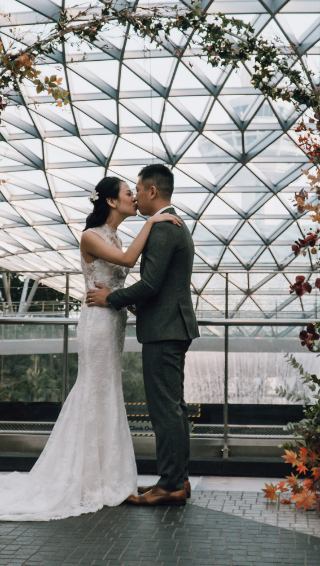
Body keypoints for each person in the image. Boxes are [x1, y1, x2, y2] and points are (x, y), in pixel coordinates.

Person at [0, 176, 181, 521]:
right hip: (98, 325)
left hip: (113, 321)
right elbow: (129, 262)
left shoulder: (115, 236)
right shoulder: (91, 235)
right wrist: (152, 221)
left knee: (106, 393)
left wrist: (129, 303)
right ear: (112, 202)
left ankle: (104, 477)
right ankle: (84, 478)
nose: (134, 197)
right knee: (93, 391)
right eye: (128, 193)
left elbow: (114, 280)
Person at [86, 164, 199, 507]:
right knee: (173, 408)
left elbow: (150, 285)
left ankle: (170, 484)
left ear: (152, 191)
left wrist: (111, 299)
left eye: (137, 189)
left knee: (166, 409)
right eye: (127, 191)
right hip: (168, 326)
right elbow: (157, 286)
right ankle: (176, 479)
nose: (135, 195)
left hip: (165, 329)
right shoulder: (166, 224)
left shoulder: (164, 228)